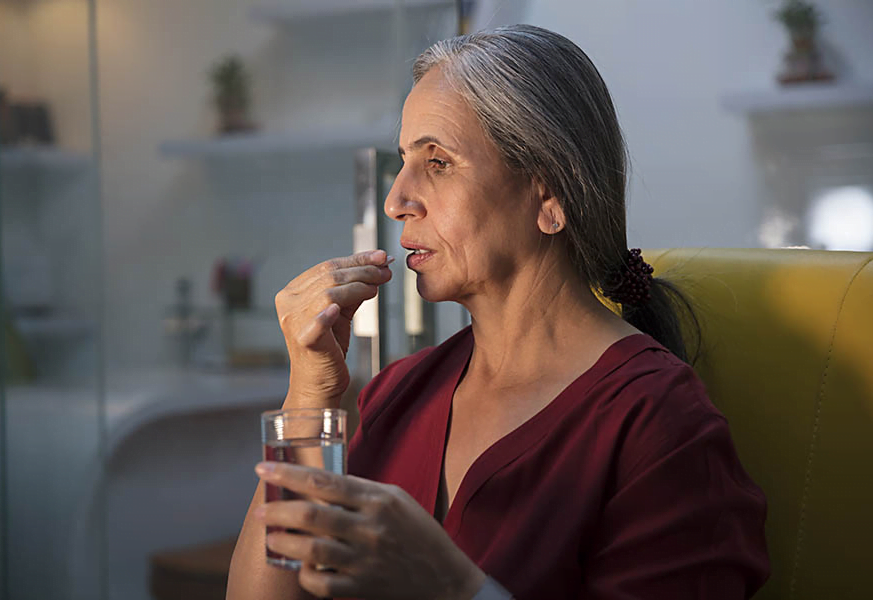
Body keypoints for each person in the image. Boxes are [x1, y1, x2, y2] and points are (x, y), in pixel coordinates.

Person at [227, 25, 770, 600]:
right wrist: (307, 395)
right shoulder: (397, 393)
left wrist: (452, 587)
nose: (396, 200)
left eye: (437, 162)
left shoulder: (660, 423)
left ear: (551, 196)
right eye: (405, 159)